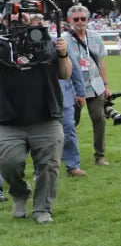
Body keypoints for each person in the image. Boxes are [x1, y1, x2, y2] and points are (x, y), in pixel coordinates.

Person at [0, 12, 72, 223]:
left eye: (24, 17)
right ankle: (20, 193)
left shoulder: (47, 43)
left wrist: (63, 55)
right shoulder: (2, 47)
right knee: (8, 163)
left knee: (49, 166)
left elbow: (65, 74)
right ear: (5, 21)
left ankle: (42, 209)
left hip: (45, 116)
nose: (20, 22)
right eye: (14, 17)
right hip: (8, 119)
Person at [64, 4, 112, 166]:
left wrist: (105, 85)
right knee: (70, 123)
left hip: (95, 86)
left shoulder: (95, 37)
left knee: (99, 119)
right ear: (70, 20)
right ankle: (65, 154)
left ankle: (100, 155)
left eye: (83, 19)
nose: (79, 22)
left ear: (87, 19)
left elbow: (101, 62)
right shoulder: (64, 40)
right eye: (76, 19)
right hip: (73, 89)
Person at [60, 44, 87, 177]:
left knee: (69, 130)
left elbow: (75, 68)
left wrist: (81, 93)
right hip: (39, 99)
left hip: (63, 96)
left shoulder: (59, 43)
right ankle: (40, 170)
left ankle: (73, 166)